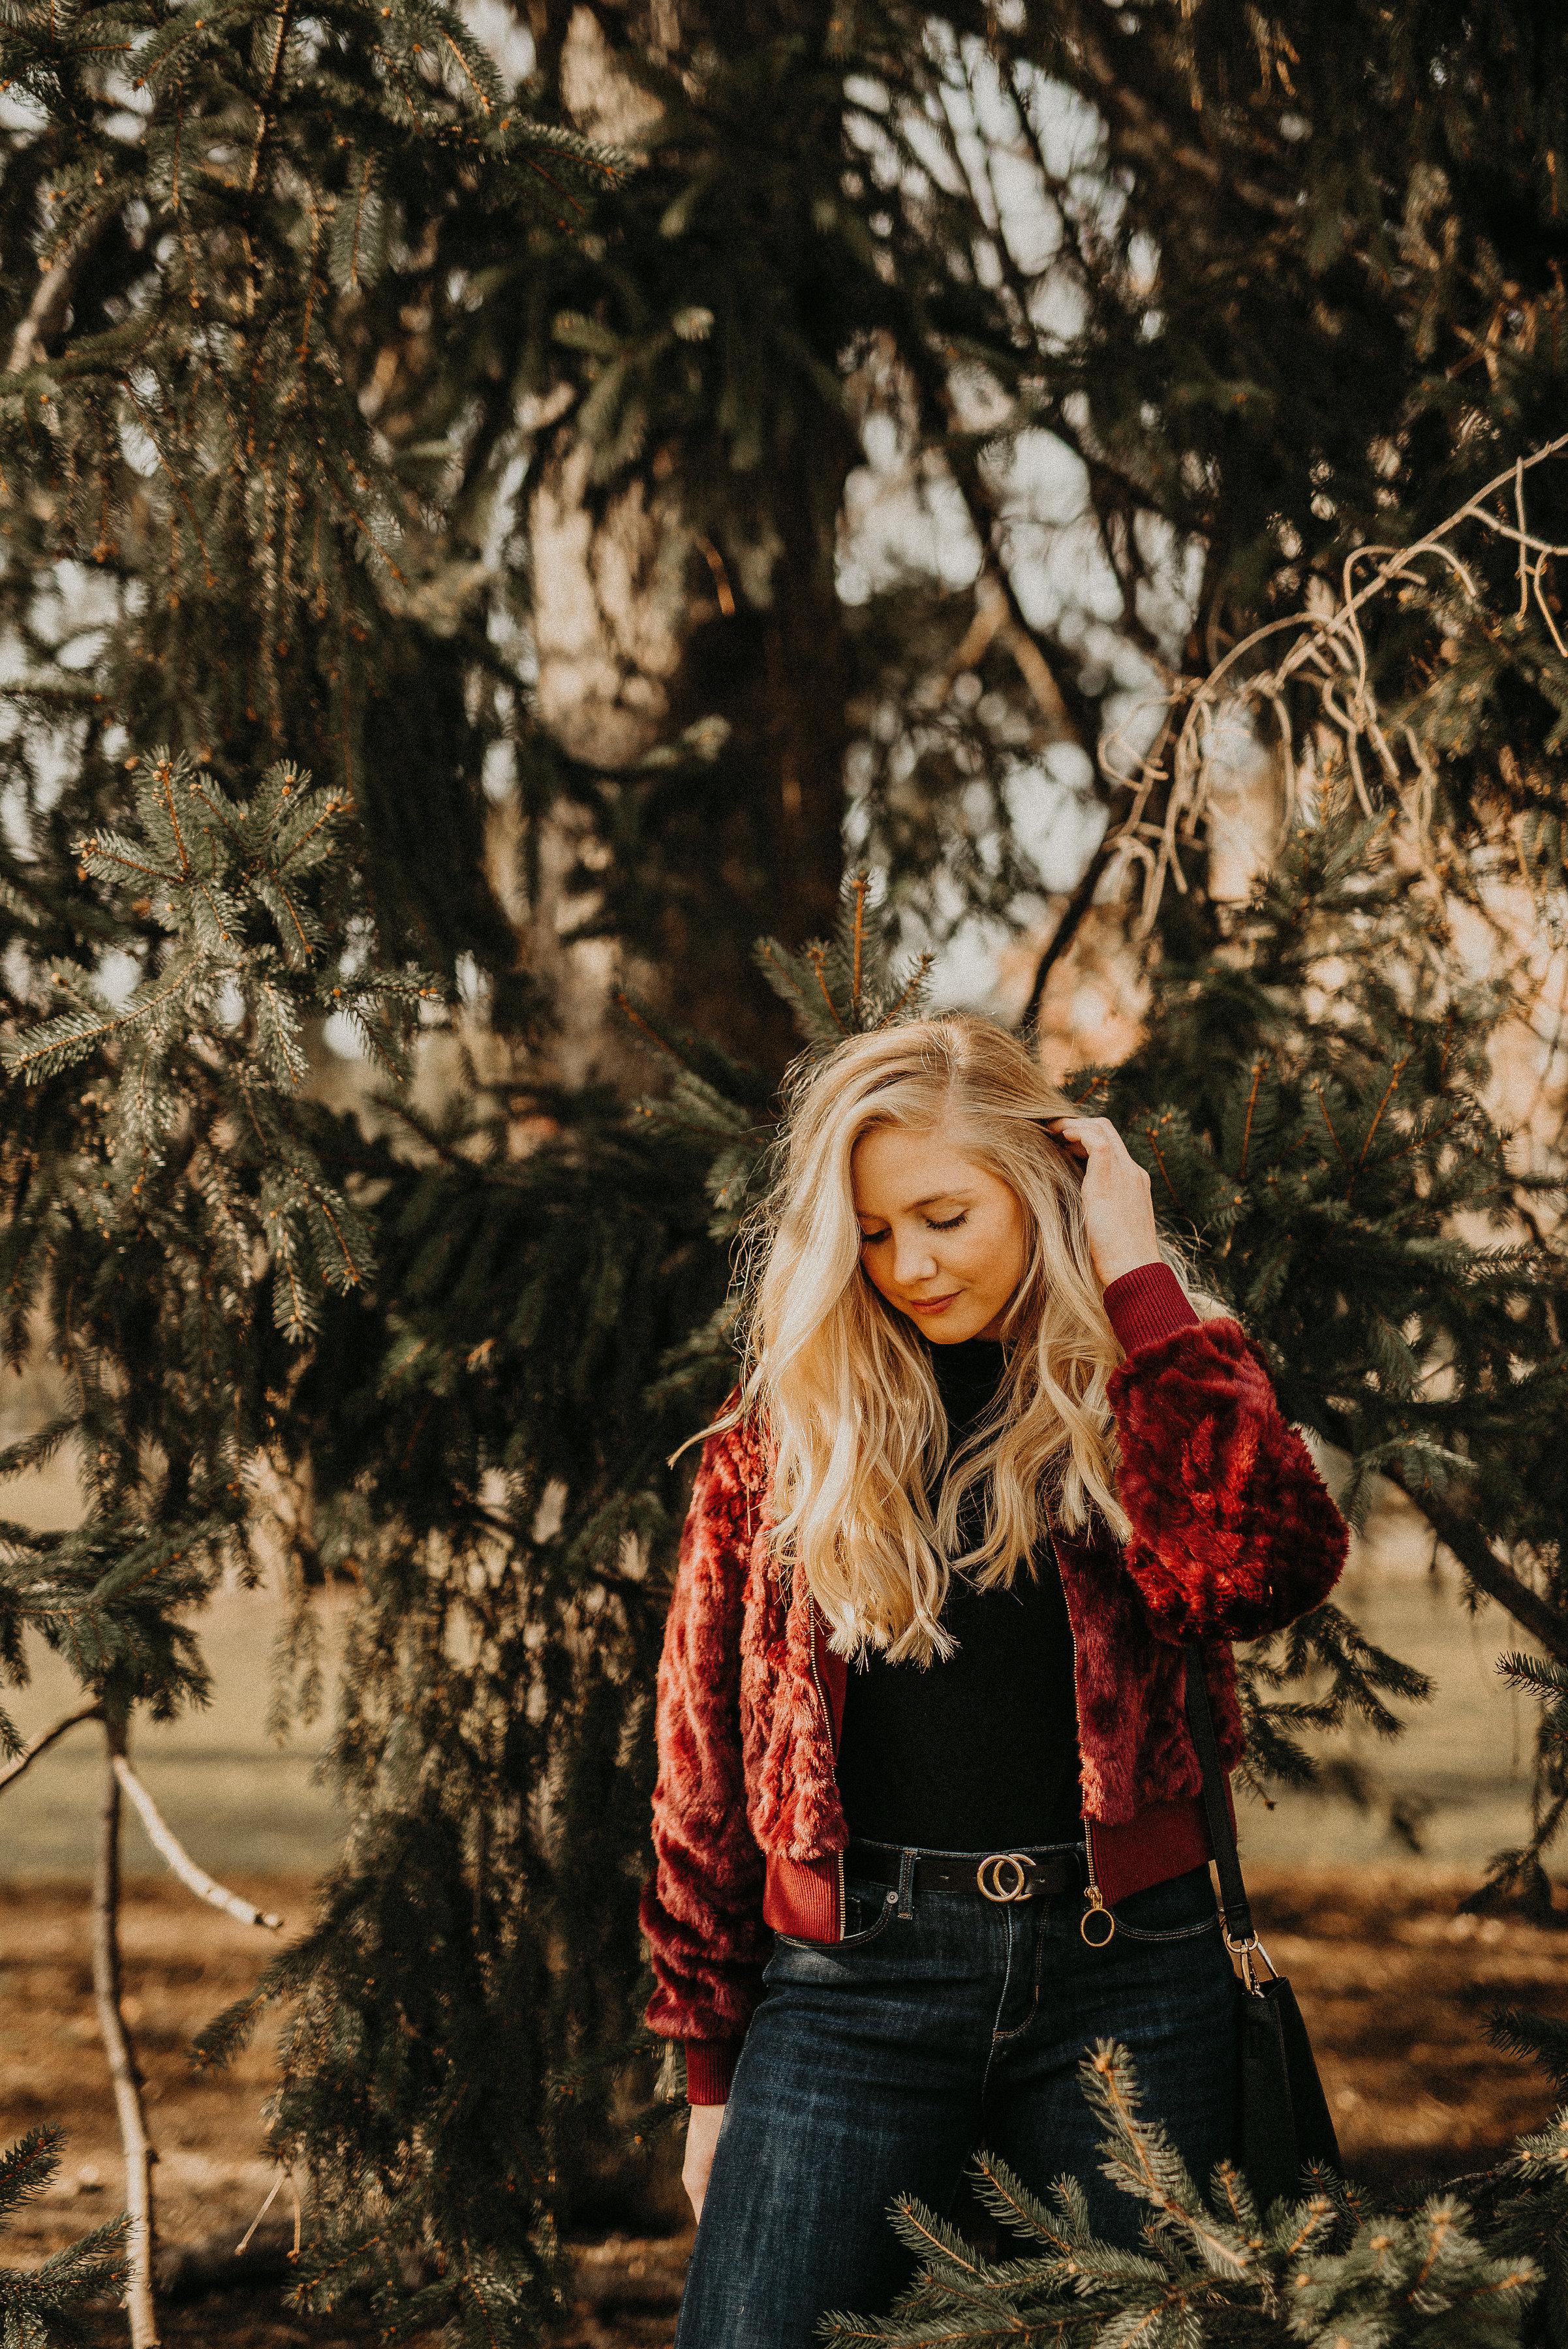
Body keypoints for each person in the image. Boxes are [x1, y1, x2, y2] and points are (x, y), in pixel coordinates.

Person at [641, 1015, 1347, 2347]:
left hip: (1130, 1975)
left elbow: (1263, 1571)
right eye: (872, 1233)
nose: (908, 1265)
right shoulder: (786, 1434)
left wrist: (1134, 1273)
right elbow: (701, 1772)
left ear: (1032, 1184)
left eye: (944, 1215)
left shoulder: (1151, 1378)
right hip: (850, 1986)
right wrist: (708, 2076)